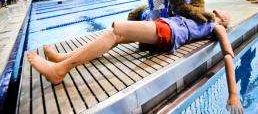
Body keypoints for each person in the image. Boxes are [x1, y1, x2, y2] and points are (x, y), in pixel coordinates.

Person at [27, 10, 243, 113]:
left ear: (225, 20)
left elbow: (228, 54)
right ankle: (63, 59)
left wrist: (233, 94)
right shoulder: (202, 14)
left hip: (168, 33)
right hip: (163, 26)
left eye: (225, 15)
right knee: (114, 37)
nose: (222, 12)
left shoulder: (218, 27)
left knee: (116, 29)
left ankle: (59, 70)